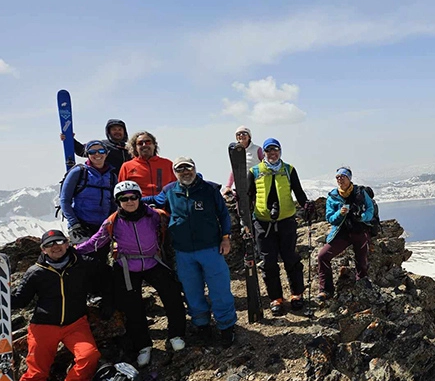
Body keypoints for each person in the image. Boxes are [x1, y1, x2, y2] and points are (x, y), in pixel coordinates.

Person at [76, 181, 187, 367]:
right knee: (132, 308)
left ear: (139, 197)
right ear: (117, 201)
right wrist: (73, 251)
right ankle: (143, 345)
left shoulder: (155, 216)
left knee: (172, 296)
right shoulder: (112, 222)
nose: (129, 201)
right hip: (127, 267)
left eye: (133, 197)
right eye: (123, 198)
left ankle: (176, 334)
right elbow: (96, 242)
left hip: (153, 261)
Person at [11, 230, 103, 381]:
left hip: (75, 324)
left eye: (59, 242)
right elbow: (20, 300)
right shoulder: (36, 272)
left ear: (67, 243)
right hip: (43, 326)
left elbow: (104, 275)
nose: (56, 247)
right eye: (50, 244)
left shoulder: (80, 263)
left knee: (89, 356)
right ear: (43, 249)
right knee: (35, 373)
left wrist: (109, 298)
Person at [149, 157, 238, 347]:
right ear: (175, 172)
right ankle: (202, 326)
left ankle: (226, 327)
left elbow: (223, 215)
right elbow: (151, 201)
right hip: (184, 252)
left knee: (220, 290)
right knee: (192, 291)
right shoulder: (169, 191)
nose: (185, 172)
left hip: (211, 249)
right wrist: (127, 197)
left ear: (195, 168)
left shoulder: (209, 189)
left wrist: (226, 238)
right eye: (180, 169)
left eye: (188, 168)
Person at [248, 138, 313, 315]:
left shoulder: (289, 169)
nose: (272, 153)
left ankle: (297, 295)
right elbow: (248, 197)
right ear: (264, 153)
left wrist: (305, 204)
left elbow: (298, 192)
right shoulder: (254, 171)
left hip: (286, 221)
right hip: (262, 222)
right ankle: (276, 298)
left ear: (280, 151)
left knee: (290, 258)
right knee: (268, 262)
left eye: (275, 150)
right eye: (269, 151)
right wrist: (244, 220)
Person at [317, 167, 375, 300]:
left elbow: (370, 209)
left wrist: (362, 217)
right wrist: (340, 213)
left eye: (343, 176)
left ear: (349, 178)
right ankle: (326, 290)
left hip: (359, 230)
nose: (340, 179)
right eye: (338, 177)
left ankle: (362, 281)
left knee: (361, 258)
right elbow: (330, 218)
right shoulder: (333, 196)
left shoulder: (360, 192)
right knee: (323, 256)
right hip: (341, 233)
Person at [59, 139, 117, 248]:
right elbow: (64, 200)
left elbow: (114, 203)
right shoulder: (78, 172)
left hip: (103, 226)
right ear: (87, 154)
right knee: (85, 259)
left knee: (101, 260)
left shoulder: (112, 176)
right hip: (81, 225)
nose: (97, 154)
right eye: (92, 152)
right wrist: (75, 223)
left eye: (101, 151)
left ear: (106, 153)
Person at [62, 119, 131, 174]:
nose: (117, 132)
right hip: (108, 183)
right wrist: (70, 139)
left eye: (120, 129)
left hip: (127, 184)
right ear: (109, 132)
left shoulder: (130, 148)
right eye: (114, 129)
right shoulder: (103, 145)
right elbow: (81, 151)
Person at [118, 131, 175, 197]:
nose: (144, 145)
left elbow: (175, 187)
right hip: (139, 205)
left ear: (154, 145)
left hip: (164, 204)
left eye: (148, 142)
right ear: (135, 148)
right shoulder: (127, 166)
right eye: (140, 143)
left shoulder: (167, 164)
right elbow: (121, 192)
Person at [223, 126, 263, 195]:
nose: (241, 135)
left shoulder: (257, 149)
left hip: (256, 185)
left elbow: (265, 164)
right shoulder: (235, 152)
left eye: (244, 133)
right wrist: (228, 186)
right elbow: (234, 170)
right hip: (240, 186)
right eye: (238, 134)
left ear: (249, 136)